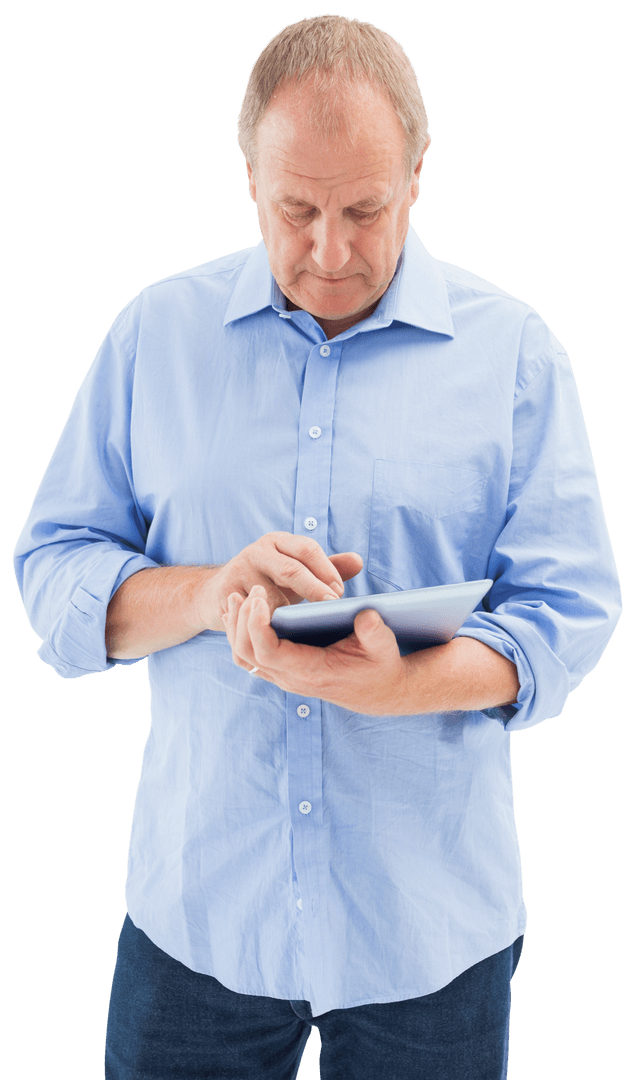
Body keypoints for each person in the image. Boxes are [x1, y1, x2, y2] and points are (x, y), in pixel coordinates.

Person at [13, 13, 621, 1080]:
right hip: (196, 919)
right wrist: (204, 595)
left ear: (418, 175)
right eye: (294, 209)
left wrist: (401, 686)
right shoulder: (154, 333)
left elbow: (565, 612)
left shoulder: (515, 354)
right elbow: (53, 565)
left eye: (364, 209)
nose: (329, 252)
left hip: (429, 934)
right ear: (247, 171)